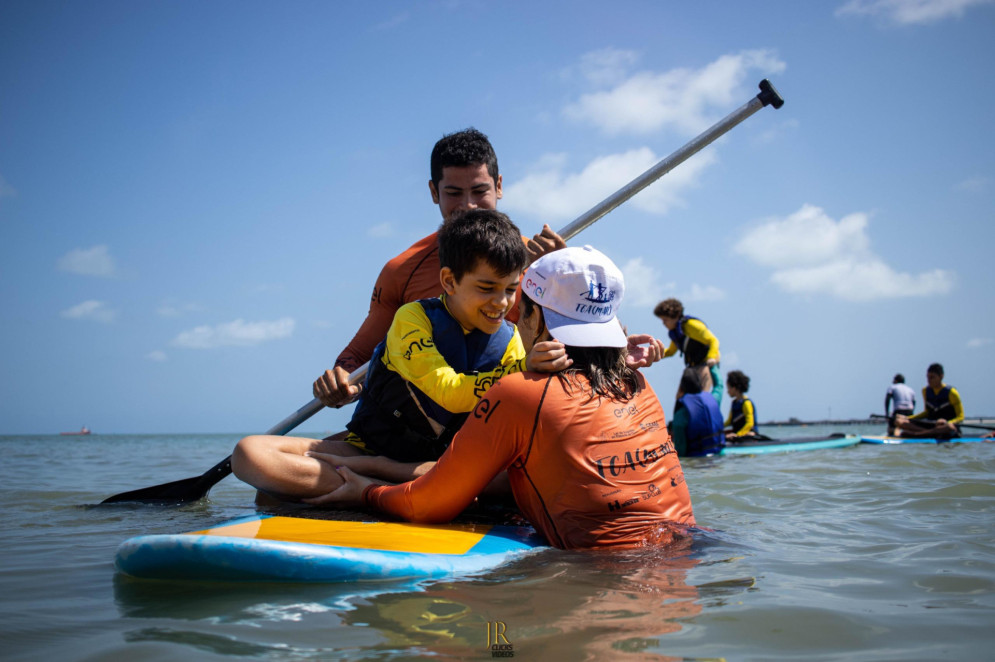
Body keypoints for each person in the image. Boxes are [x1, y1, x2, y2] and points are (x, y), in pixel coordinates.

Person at [304, 245, 696, 550]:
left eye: (517, 305)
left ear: (535, 319)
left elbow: (426, 505)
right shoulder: (640, 386)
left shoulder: (521, 391)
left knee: (483, 649)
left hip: (598, 577)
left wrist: (366, 492)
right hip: (689, 554)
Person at [232, 209, 566, 498]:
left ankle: (364, 491)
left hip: (443, 465)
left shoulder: (510, 341)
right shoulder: (412, 319)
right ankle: (383, 487)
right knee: (250, 454)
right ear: (449, 282)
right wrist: (521, 369)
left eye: (510, 289)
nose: (502, 303)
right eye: (486, 288)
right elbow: (448, 393)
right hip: (377, 450)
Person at [314, 128, 566, 409]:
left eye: (480, 190)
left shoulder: (541, 262)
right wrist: (339, 383)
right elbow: (358, 359)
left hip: (510, 414)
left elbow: (577, 350)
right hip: (422, 431)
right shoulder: (402, 270)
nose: (469, 205)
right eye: (454, 193)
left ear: (499, 186)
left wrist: (563, 283)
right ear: (435, 192)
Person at [653, 298, 720, 393]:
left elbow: (713, 340)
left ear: (675, 317)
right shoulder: (676, 332)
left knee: (703, 392)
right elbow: (671, 352)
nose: (663, 323)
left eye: (665, 320)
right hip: (693, 366)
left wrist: (711, 358)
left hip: (707, 363)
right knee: (680, 396)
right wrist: (653, 354)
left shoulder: (691, 325)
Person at [893, 363, 964, 439]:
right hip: (931, 425)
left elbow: (960, 417)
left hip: (944, 426)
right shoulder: (925, 391)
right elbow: (927, 412)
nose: (929, 380)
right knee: (899, 421)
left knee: (949, 427)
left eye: (932, 377)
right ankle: (928, 434)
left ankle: (917, 434)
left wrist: (947, 422)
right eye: (928, 377)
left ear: (941, 377)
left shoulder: (952, 392)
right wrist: (908, 418)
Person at [670, 365, 725, 456]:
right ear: (700, 383)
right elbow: (719, 385)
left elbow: (681, 449)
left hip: (696, 459)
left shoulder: (681, 413)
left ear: (682, 387)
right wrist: (713, 367)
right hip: (719, 455)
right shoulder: (713, 399)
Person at [724, 370, 759, 439]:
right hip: (737, 434)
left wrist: (738, 435)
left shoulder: (746, 403)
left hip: (748, 433)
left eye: (728, 388)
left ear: (734, 388)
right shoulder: (734, 403)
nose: (727, 391)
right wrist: (717, 427)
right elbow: (729, 421)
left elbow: (750, 424)